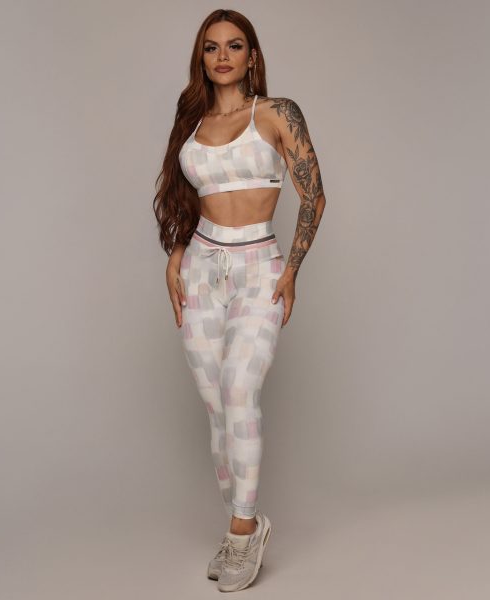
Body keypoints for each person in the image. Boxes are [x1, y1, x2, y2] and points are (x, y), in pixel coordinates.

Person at [153, 8, 325, 592]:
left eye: (234, 45)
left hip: (259, 268)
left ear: (252, 55)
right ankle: (242, 523)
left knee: (238, 390)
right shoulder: (191, 118)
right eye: (211, 47)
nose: (222, 56)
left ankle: (242, 530)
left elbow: (314, 196)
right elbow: (182, 197)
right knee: (215, 407)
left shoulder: (277, 113)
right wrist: (175, 255)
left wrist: (291, 270)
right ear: (201, 58)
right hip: (200, 268)